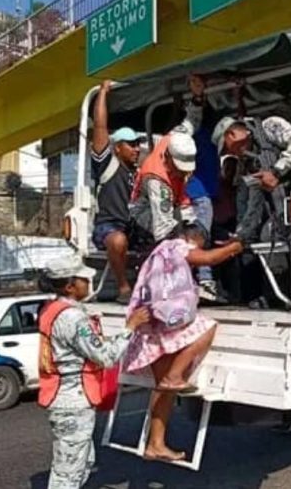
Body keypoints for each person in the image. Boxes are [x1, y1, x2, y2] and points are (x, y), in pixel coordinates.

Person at [123, 225, 243, 462]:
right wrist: (236, 247)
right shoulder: (178, 246)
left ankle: (155, 444)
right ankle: (175, 375)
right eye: (199, 243)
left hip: (152, 324)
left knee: (163, 391)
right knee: (207, 328)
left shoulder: (158, 252)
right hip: (166, 321)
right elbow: (208, 258)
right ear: (192, 238)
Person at [38, 255, 150, 489]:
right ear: (70, 286)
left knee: (81, 462)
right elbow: (106, 356)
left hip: (64, 397)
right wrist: (130, 327)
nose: (89, 283)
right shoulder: (72, 317)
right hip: (72, 401)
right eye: (83, 279)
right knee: (68, 472)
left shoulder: (53, 308)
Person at [208, 109, 291, 244]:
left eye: (226, 148)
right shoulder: (247, 165)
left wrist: (276, 172)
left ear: (232, 134)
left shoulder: (269, 126)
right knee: (268, 236)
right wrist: (240, 236)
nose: (231, 153)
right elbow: (252, 203)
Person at [90, 80, 142, 303]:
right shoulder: (107, 163)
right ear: (118, 147)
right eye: (131, 144)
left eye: (138, 144)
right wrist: (103, 93)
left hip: (134, 225)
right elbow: (100, 128)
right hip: (108, 227)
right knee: (118, 240)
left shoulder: (139, 171)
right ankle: (123, 288)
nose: (137, 148)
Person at [178, 75, 224, 301]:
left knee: (194, 237)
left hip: (199, 191)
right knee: (200, 236)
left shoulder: (206, 137)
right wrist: (197, 96)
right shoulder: (200, 135)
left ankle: (197, 281)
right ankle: (205, 280)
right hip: (199, 192)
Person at [129, 132, 198, 248]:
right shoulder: (156, 179)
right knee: (175, 242)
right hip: (145, 212)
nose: (185, 173)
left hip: (174, 201)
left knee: (194, 230)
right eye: (180, 168)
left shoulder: (174, 141)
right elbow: (163, 228)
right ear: (168, 157)